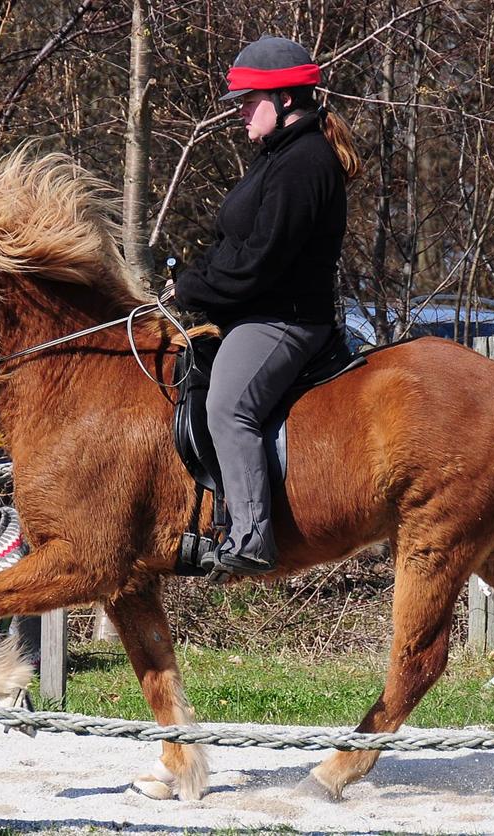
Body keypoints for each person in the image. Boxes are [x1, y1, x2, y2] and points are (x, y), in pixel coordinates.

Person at [172, 36, 361, 577]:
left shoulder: (304, 163)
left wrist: (195, 292)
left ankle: (251, 537)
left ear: (283, 100)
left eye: (248, 100)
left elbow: (262, 260)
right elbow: (237, 246)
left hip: (285, 319)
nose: (239, 111)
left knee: (229, 408)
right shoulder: (278, 155)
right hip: (253, 313)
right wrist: (193, 283)